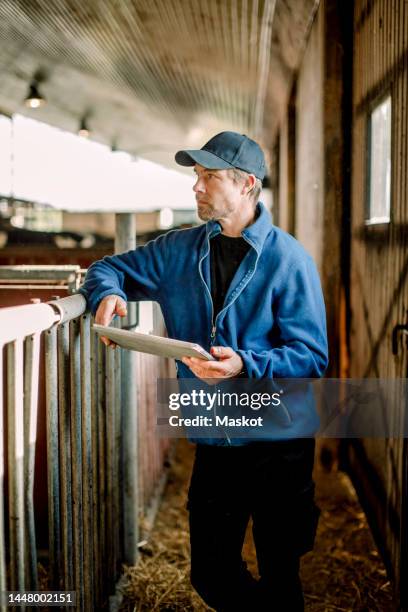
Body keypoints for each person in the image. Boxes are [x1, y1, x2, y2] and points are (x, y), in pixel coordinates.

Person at [79, 131, 328, 611]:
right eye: (196, 176)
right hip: (217, 440)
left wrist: (245, 364)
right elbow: (107, 267)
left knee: (280, 570)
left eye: (209, 177)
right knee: (210, 574)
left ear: (247, 184)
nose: (196, 187)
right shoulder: (178, 250)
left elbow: (312, 356)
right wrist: (107, 294)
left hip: (279, 440)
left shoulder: (289, 259)